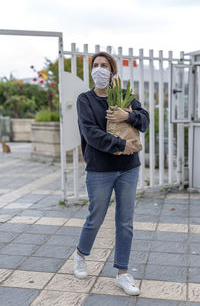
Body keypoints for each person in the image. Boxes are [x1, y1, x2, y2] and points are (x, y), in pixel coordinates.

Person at [74, 52, 149, 296]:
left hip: (128, 168)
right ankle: (81, 255)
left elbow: (145, 120)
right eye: (95, 65)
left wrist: (127, 115)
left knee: (125, 222)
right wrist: (120, 144)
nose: (99, 69)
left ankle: (122, 273)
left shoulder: (126, 96)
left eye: (104, 65)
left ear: (112, 71)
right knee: (95, 217)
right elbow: (90, 134)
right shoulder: (85, 100)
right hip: (100, 169)